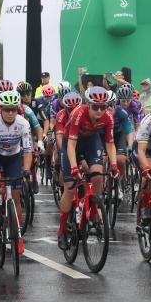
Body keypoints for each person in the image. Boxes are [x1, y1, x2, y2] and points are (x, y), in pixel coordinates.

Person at [58, 86, 116, 250]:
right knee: (70, 188)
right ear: (88, 105)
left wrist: (113, 165)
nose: (99, 110)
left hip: (91, 142)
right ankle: (62, 230)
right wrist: (75, 167)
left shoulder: (108, 118)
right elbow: (70, 144)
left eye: (103, 107)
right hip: (72, 144)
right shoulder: (78, 114)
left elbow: (110, 144)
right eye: (95, 107)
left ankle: (94, 209)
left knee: (97, 176)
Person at [0, 90, 34, 255]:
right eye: (6, 109)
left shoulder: (23, 123)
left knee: (16, 196)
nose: (11, 113)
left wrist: (26, 170)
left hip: (13, 157)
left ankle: (17, 236)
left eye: (14, 109)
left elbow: (28, 150)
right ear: (0, 109)